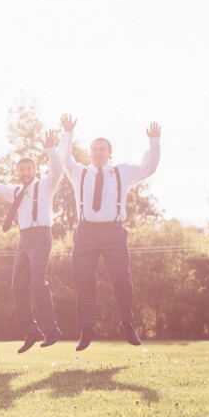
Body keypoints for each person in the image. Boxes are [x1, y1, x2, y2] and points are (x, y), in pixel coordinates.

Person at [59, 114, 161, 351]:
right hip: (86, 233)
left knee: (121, 279)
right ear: (90, 152)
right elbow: (64, 159)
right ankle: (85, 331)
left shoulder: (121, 172)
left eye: (102, 150)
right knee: (84, 281)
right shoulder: (79, 173)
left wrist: (154, 143)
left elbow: (149, 168)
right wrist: (67, 134)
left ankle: (127, 323)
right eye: (94, 150)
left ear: (109, 153)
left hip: (114, 232)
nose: (97, 153)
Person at [0, 131, 63, 353]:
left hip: (41, 236)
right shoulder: (15, 191)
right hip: (24, 239)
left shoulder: (46, 185)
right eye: (21, 169)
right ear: (18, 172)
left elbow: (57, 170)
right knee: (18, 286)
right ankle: (31, 331)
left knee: (37, 282)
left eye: (29, 169)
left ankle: (51, 330)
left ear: (34, 170)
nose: (25, 172)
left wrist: (51, 150)